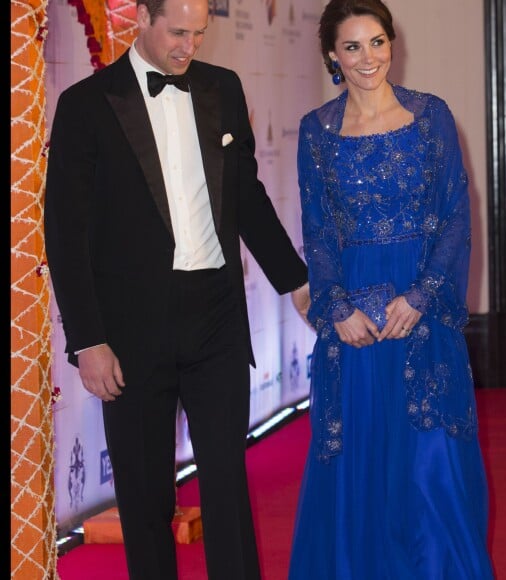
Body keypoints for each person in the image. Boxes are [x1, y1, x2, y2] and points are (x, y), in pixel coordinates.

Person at [44, 0, 310, 578]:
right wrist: (88, 339)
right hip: (131, 331)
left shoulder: (223, 88)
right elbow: (65, 235)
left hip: (215, 316)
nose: (189, 46)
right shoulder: (86, 105)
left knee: (226, 484)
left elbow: (248, 198)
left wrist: (295, 280)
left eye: (199, 33)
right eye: (178, 32)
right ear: (141, 16)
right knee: (144, 501)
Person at [288, 1, 495, 578]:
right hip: (354, 316)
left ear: (391, 43)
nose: (368, 57)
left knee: (431, 461)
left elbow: (457, 213)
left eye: (377, 42)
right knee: (360, 457)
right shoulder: (316, 132)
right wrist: (335, 307)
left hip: (421, 308)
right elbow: (319, 230)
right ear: (332, 54)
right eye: (352, 47)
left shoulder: (431, 117)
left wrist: (424, 295)